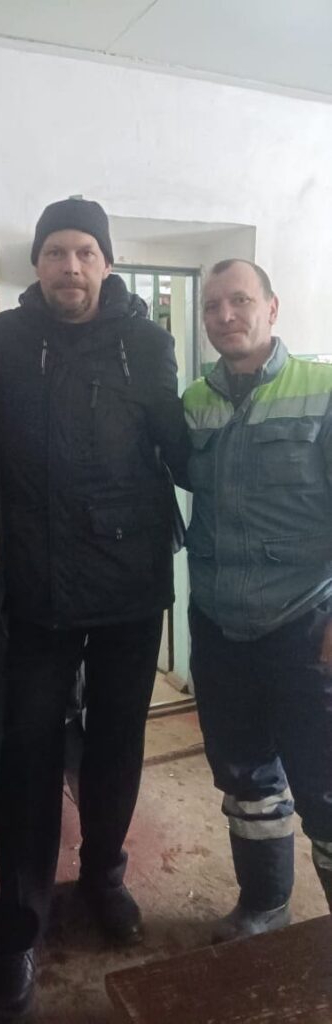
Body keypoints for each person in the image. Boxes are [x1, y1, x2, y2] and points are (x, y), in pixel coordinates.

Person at [0, 198, 189, 1018]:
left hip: (129, 584)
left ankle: (104, 876)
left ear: (107, 262)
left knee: (115, 743)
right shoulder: (1, 340)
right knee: (29, 753)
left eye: (85, 252)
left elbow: (180, 446)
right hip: (34, 587)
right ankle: (20, 926)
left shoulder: (147, 342)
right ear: (36, 263)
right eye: (55, 252)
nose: (70, 266)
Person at [184, 258, 332, 943]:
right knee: (245, 781)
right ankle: (265, 906)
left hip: (307, 625)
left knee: (325, 787)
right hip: (220, 629)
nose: (225, 316)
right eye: (213, 306)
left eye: (239, 301)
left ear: (271, 308)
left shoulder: (322, 389)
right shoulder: (194, 402)